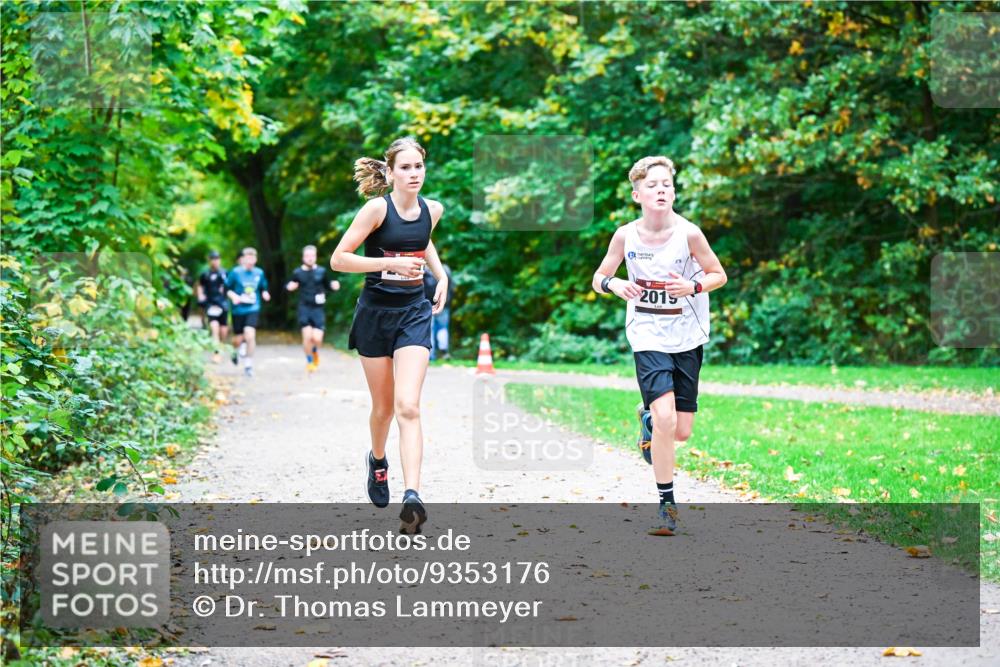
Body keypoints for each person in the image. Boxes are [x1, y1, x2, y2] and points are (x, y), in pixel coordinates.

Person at [591, 156, 727, 536]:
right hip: (647, 333)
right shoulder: (625, 235)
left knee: (680, 431)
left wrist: (694, 286)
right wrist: (615, 285)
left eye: (666, 184)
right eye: (652, 185)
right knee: (667, 419)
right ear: (637, 194)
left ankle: (648, 420)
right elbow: (599, 276)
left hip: (686, 335)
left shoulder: (690, 234)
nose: (661, 189)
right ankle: (667, 504)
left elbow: (720, 274)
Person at [331, 136, 448, 535]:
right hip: (375, 315)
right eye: (406, 168)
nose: (414, 174)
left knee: (408, 406)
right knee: (382, 409)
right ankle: (378, 461)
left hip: (414, 313)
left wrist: (441, 274)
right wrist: (391, 264)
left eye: (419, 167)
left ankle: (412, 495)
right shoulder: (375, 209)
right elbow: (339, 258)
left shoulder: (433, 209)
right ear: (391, 172)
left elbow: (422, 239)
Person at [287, 245, 340, 372]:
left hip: (318, 309)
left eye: (312, 256)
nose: (310, 258)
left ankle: (314, 351)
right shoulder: (297, 272)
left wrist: (334, 286)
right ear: (303, 257)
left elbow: (329, 286)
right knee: (307, 336)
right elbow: (289, 285)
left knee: (317, 338)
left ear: (315, 257)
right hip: (304, 308)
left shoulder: (321, 271)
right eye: (307, 256)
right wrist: (290, 286)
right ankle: (309, 361)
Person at [225, 247, 271, 377]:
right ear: (243, 259)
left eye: (253, 258)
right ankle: (236, 350)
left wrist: (265, 293)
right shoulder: (235, 272)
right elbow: (227, 289)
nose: (251, 261)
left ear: (256, 259)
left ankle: (248, 364)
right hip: (238, 310)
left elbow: (263, 287)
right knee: (238, 339)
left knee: (250, 334)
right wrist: (233, 296)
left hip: (253, 308)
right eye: (248, 258)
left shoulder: (259, 273)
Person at [196, 250, 229, 363]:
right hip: (211, 304)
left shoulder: (225, 273)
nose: (215, 261)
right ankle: (216, 352)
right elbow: (200, 285)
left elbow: (231, 285)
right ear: (209, 261)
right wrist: (200, 295)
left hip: (223, 303)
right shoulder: (205, 274)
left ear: (219, 260)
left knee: (223, 330)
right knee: (214, 328)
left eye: (217, 259)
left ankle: (221, 346)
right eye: (213, 259)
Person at [423, 262, 454, 361]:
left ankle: (431, 355)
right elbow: (451, 287)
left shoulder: (424, 270)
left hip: (428, 304)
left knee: (429, 329)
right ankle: (444, 351)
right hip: (444, 304)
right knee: (443, 328)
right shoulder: (445, 269)